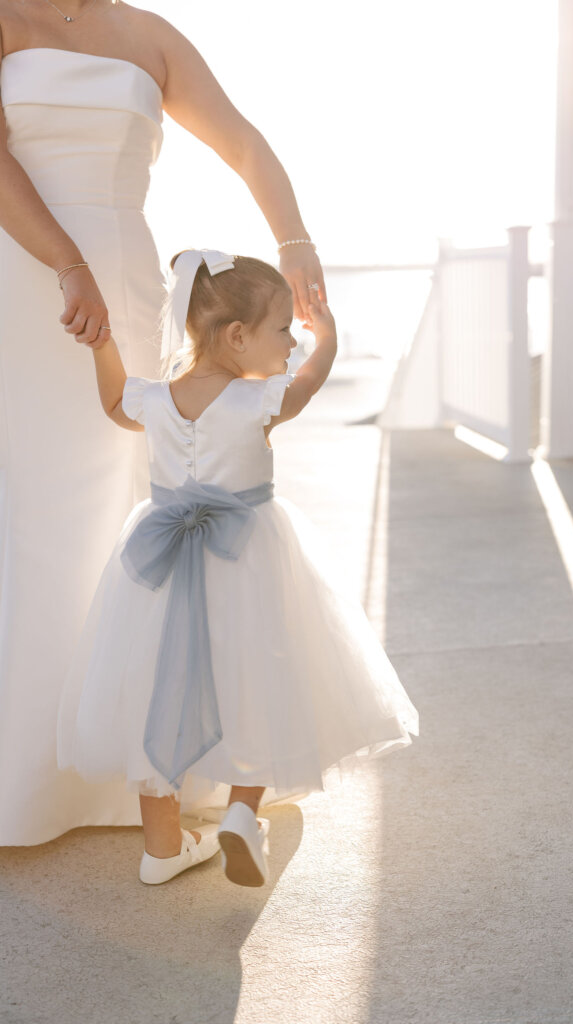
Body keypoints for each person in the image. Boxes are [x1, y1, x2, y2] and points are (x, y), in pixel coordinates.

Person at [0, 0, 326, 845]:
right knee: (25, 512)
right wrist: (65, 261)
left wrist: (293, 241)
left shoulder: (148, 35)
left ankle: (147, 765)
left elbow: (243, 143)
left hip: (125, 278)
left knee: (127, 506)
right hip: (27, 269)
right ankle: (27, 776)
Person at [57, 250, 419, 886]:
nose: (293, 340)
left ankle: (162, 849)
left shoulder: (158, 399)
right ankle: (241, 816)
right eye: (283, 329)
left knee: (158, 688)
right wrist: (329, 335)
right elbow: (310, 380)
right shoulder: (260, 401)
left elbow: (116, 402)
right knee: (259, 680)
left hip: (162, 560)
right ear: (237, 336)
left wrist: (103, 345)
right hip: (246, 555)